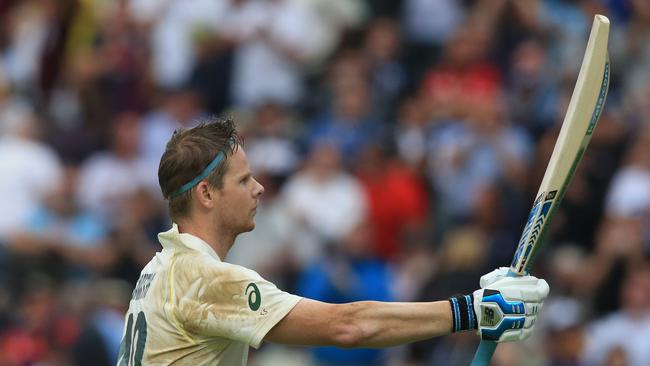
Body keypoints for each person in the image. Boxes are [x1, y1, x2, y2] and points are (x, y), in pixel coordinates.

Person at [117, 116, 549, 365]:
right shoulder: (204, 277)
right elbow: (350, 325)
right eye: (244, 180)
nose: (259, 188)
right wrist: (474, 310)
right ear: (206, 194)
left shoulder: (158, 269)